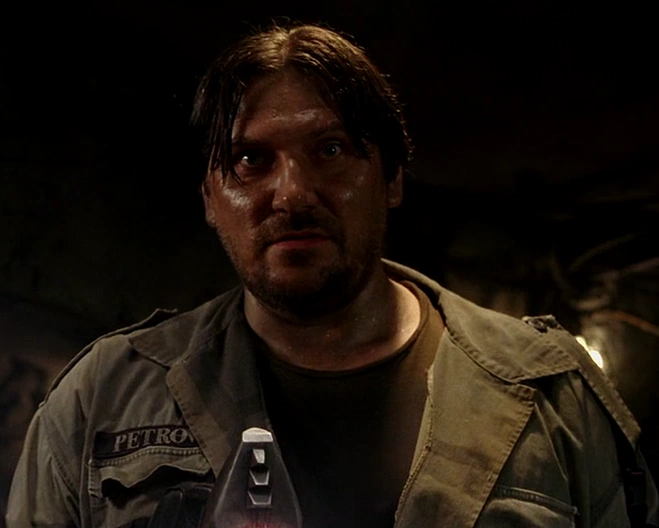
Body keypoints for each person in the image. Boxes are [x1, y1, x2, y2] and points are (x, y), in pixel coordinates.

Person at [6, 23, 658, 528]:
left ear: (391, 179)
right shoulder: (104, 397)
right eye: (249, 160)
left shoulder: (552, 392)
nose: (292, 193)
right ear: (209, 198)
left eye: (331, 149)